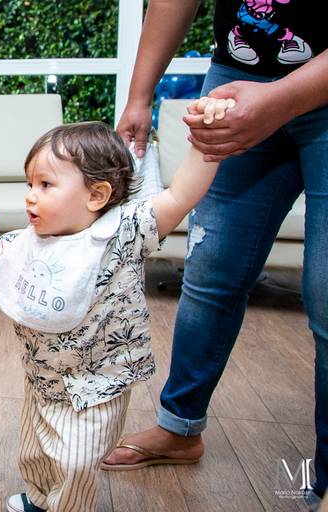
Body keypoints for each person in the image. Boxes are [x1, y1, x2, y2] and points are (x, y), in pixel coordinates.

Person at [0, 98, 232, 512]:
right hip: (42, 375)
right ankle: (39, 498)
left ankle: (68, 508)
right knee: (34, 451)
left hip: (98, 382)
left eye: (46, 185)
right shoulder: (21, 244)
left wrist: (205, 145)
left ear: (96, 195)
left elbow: (181, 195)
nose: (30, 197)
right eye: (29, 184)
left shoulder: (123, 233)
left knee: (75, 461)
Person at [102, 3, 327, 510]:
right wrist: (140, 96)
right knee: (210, 268)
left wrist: (278, 100)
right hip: (237, 77)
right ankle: (180, 428)